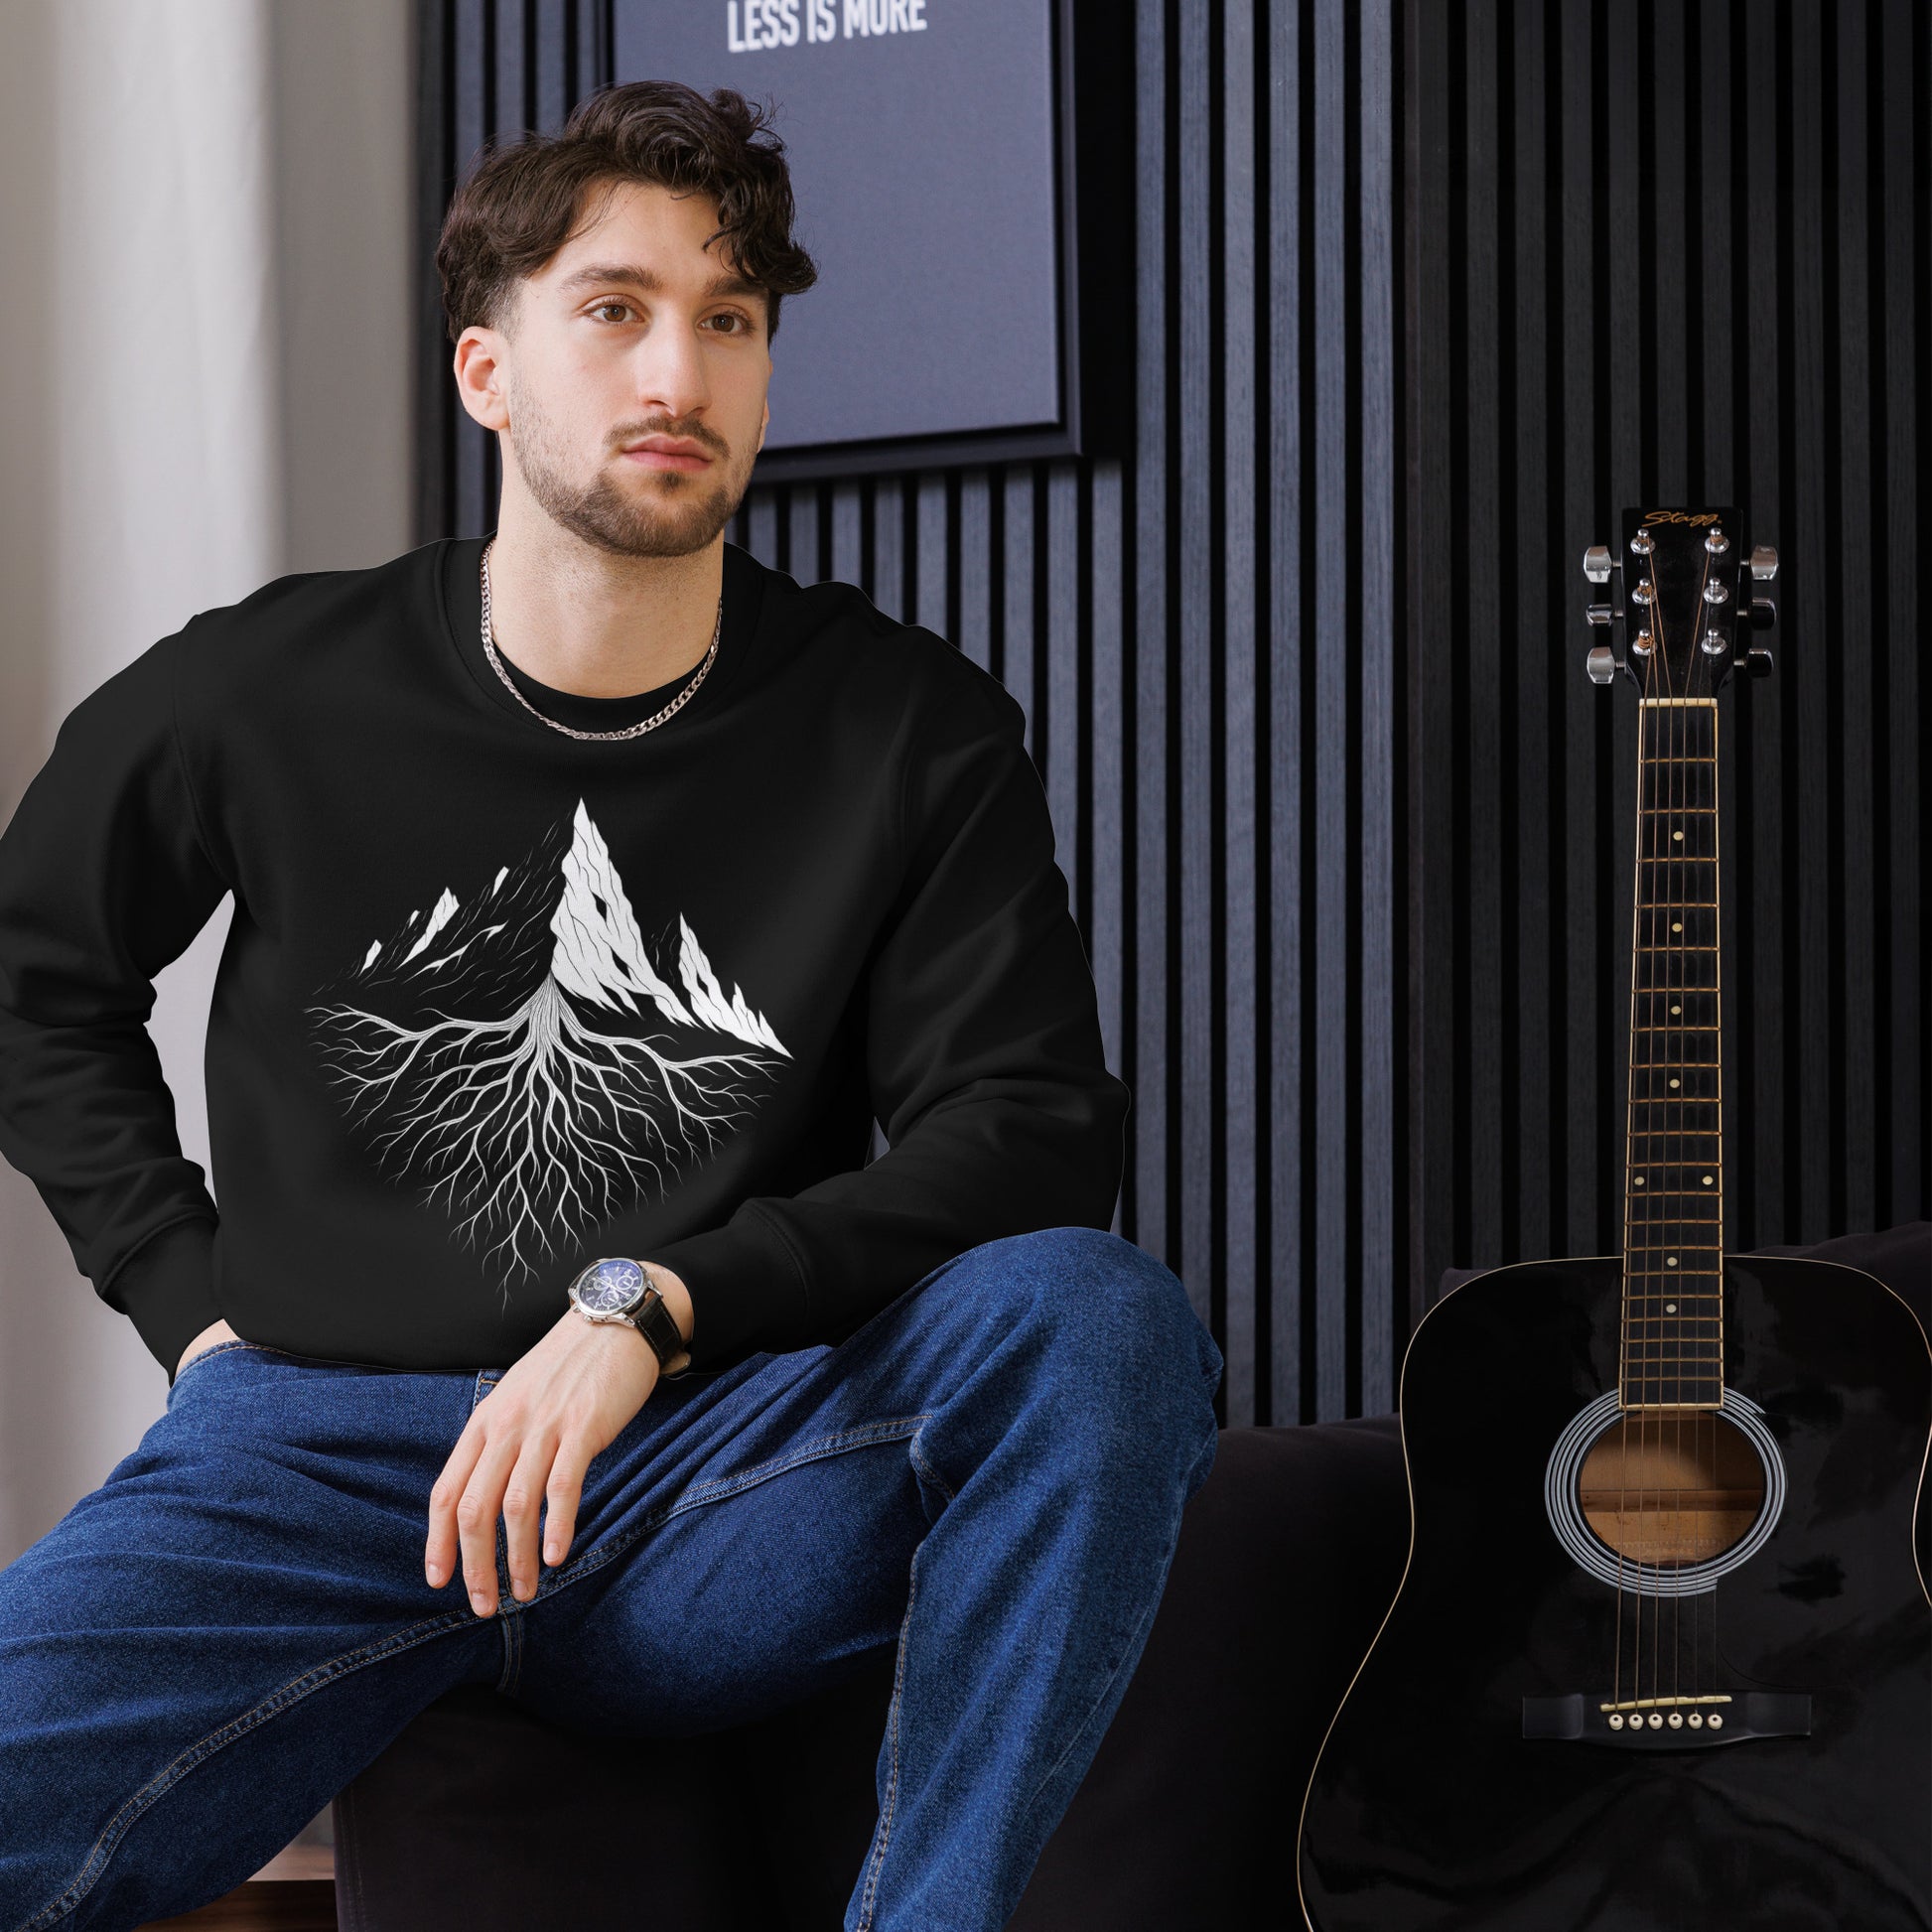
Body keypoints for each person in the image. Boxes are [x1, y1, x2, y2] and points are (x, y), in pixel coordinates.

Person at [0, 79, 1223, 1932]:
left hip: (705, 1478)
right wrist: (187, 1303)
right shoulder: (257, 689)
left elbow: (1033, 1130)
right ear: (487, 369)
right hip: (313, 1463)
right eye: (615, 308)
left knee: (1098, 1317)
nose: (682, 368)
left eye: (729, 320)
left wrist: (657, 1305)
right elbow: (32, 979)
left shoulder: (902, 721)